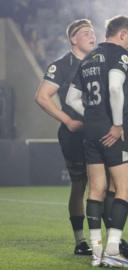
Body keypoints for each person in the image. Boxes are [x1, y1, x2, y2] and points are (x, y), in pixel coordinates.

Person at [66, 15, 128, 268]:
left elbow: (71, 99)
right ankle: (113, 250)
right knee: (125, 190)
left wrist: (92, 115)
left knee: (95, 190)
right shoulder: (119, 54)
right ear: (122, 35)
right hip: (113, 131)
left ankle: (97, 253)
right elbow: (116, 87)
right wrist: (117, 124)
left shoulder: (88, 58)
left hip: (91, 131)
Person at [35, 18, 96, 256]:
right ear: (73, 39)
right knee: (80, 184)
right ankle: (81, 240)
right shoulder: (61, 65)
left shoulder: (98, 61)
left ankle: (109, 239)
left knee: (105, 185)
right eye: (85, 33)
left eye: (93, 32)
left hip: (99, 132)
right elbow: (42, 96)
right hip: (74, 135)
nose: (92, 36)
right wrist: (68, 120)